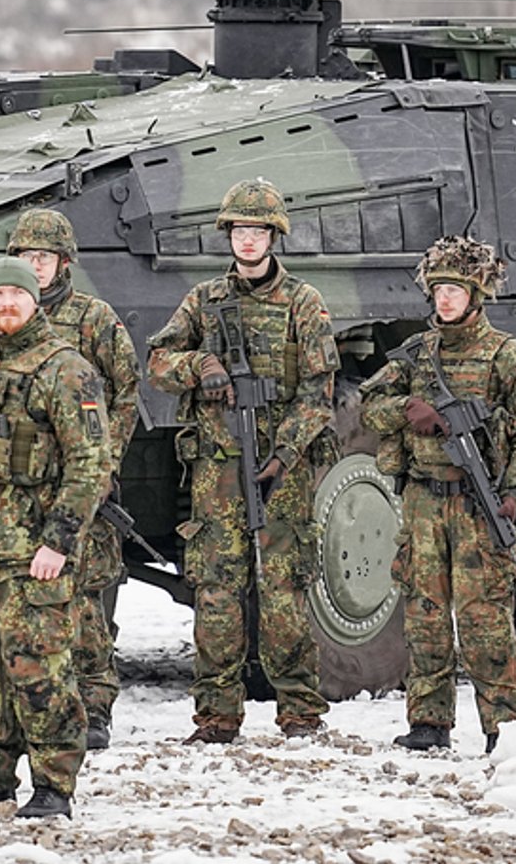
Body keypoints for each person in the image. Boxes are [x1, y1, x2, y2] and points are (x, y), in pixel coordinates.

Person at [146, 177, 336, 744]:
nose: (248, 241)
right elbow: (158, 360)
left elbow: (320, 390)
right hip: (217, 469)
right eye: (239, 231)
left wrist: (284, 452)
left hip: (283, 468)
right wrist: (199, 367)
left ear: (273, 236)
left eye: (257, 231)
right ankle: (217, 716)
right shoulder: (203, 301)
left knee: (283, 591)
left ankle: (300, 711)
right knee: (217, 590)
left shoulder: (303, 302)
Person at [0, 257, 112, 820]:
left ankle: (54, 785)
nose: (7, 304)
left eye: (17, 294)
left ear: (36, 300)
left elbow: (90, 463)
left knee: (39, 673)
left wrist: (57, 542)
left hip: (31, 555)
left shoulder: (64, 369)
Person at [360, 236, 516, 754]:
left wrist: (511, 491)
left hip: (476, 501)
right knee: (424, 614)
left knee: (485, 617)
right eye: (438, 289)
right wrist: (409, 412)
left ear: (475, 294)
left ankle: (503, 725)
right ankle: (428, 721)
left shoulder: (505, 356)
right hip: (423, 499)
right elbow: (370, 405)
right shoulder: (416, 356)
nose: (445, 300)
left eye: (455, 290)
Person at [0, 208, 139, 751]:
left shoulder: (94, 319)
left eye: (44, 258)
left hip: (84, 487)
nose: (35, 268)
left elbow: (126, 398)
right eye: (26, 258)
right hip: (20, 488)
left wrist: (102, 467)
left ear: (63, 263)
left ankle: (94, 705)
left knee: (86, 601)